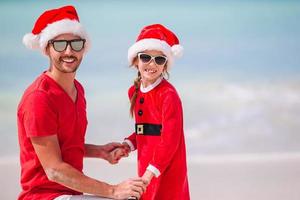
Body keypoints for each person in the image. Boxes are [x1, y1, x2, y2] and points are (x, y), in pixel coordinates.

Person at [18, 5, 146, 200]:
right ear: (47, 49)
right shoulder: (39, 98)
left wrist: (100, 151)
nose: (69, 51)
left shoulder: (78, 90)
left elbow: (64, 144)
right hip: (45, 196)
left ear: (83, 48)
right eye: (60, 45)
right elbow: (54, 170)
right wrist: (113, 190)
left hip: (70, 194)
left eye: (76, 44)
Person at [113, 24, 190, 200]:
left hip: (167, 167)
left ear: (165, 65)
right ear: (135, 61)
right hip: (146, 166)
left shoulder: (168, 95)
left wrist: (150, 172)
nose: (152, 64)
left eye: (159, 59)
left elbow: (170, 140)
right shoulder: (134, 92)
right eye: (145, 57)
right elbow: (146, 129)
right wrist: (128, 145)